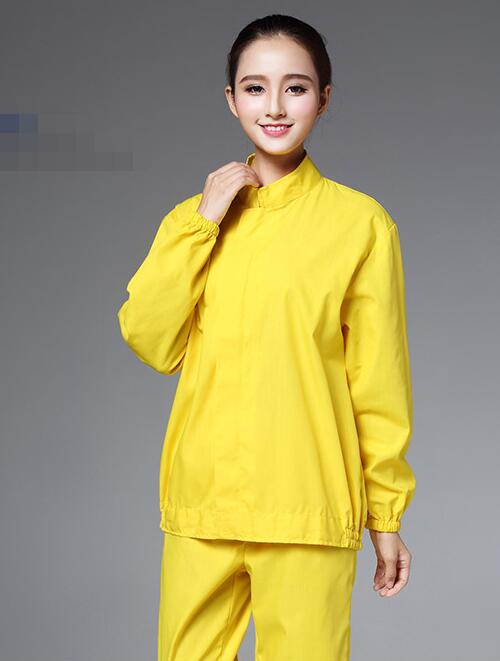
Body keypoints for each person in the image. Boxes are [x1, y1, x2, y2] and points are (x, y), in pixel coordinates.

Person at [117, 13, 417, 661]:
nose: (274, 107)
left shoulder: (360, 224)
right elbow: (150, 339)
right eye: (255, 88)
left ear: (324, 98)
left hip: (308, 507)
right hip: (203, 505)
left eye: (295, 88)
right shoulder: (192, 221)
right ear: (232, 99)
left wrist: (385, 516)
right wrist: (203, 222)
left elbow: (378, 383)